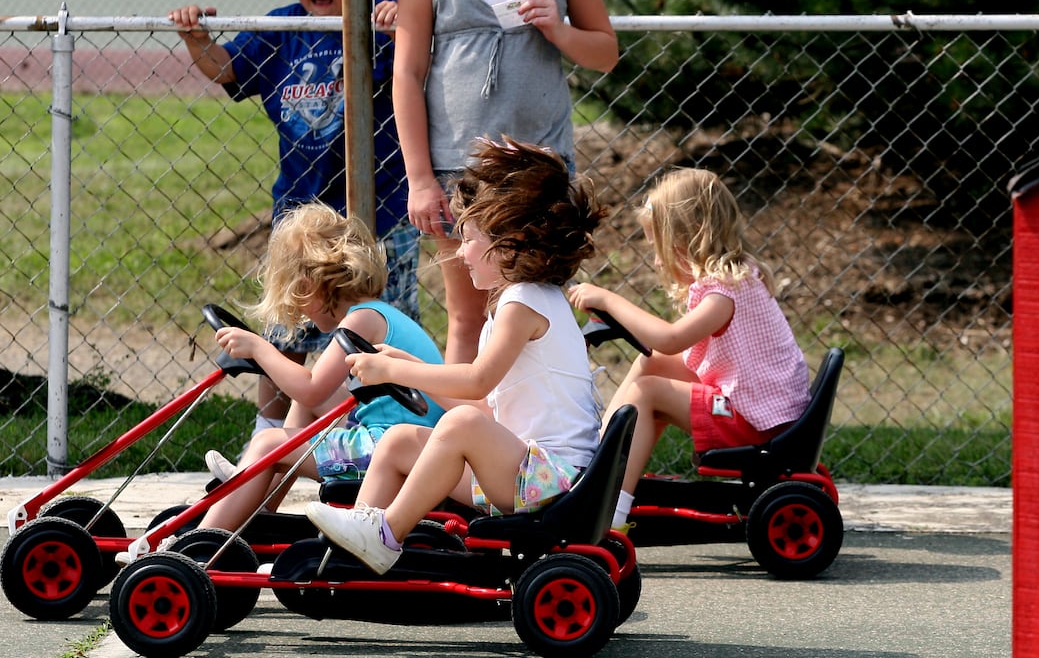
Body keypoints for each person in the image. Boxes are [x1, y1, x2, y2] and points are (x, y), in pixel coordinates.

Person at [168, 0, 421, 446]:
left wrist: (403, 27)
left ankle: (380, 437)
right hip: (303, 222)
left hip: (379, 216)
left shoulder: (379, 17)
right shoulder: (285, 27)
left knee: (375, 331)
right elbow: (228, 69)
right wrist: (195, 40)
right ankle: (269, 441)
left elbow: (418, 69)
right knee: (286, 331)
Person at [306, 139, 608, 574]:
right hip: (529, 473)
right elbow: (487, 405)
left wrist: (391, 368)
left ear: (509, 243)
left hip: (553, 480)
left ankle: (385, 535)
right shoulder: (529, 300)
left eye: (468, 239)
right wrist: (412, 371)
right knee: (400, 439)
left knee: (461, 424)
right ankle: (358, 541)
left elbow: (476, 384)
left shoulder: (523, 303)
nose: (460, 252)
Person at [392, 0, 619, 366]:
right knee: (469, 317)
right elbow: (408, 71)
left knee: (536, 309)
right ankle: (459, 444)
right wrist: (421, 178)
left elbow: (606, 53)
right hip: (458, 170)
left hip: (539, 170)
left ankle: (547, 439)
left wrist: (559, 30)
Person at [119, 204, 445, 556]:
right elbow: (316, 395)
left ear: (311, 286)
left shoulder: (361, 320)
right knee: (300, 412)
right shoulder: (376, 314)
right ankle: (259, 502)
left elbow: (311, 385)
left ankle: (191, 549)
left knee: (269, 444)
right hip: (401, 441)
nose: (301, 312)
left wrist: (260, 349)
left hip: (388, 450)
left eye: (299, 301)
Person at [566, 168, 812, 529]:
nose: (656, 261)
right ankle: (598, 456)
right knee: (654, 364)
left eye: (658, 248)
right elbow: (665, 349)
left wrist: (609, 299)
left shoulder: (721, 293)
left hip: (753, 421)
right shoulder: (739, 275)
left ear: (686, 240)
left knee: (648, 392)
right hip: (758, 406)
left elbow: (670, 338)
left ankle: (608, 511)